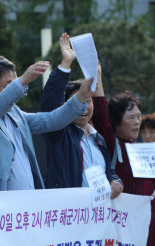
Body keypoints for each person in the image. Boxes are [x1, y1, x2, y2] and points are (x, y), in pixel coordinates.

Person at [0, 55, 92, 193]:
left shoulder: (15, 113)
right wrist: (23, 81)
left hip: (26, 207)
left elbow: (52, 120)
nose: (19, 92)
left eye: (17, 84)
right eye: (10, 85)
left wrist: (81, 96)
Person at [91, 70, 155, 246]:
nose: (137, 121)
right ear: (116, 123)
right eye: (131, 117)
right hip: (119, 236)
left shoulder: (146, 151)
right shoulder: (112, 144)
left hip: (146, 235)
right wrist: (98, 82)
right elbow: (102, 114)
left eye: (139, 116)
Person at [40, 33, 123, 195]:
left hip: (95, 215)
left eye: (88, 101)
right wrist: (66, 63)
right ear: (65, 106)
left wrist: (115, 180)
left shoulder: (98, 139)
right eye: (78, 102)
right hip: (68, 212)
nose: (84, 108)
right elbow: (50, 106)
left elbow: (104, 171)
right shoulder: (59, 133)